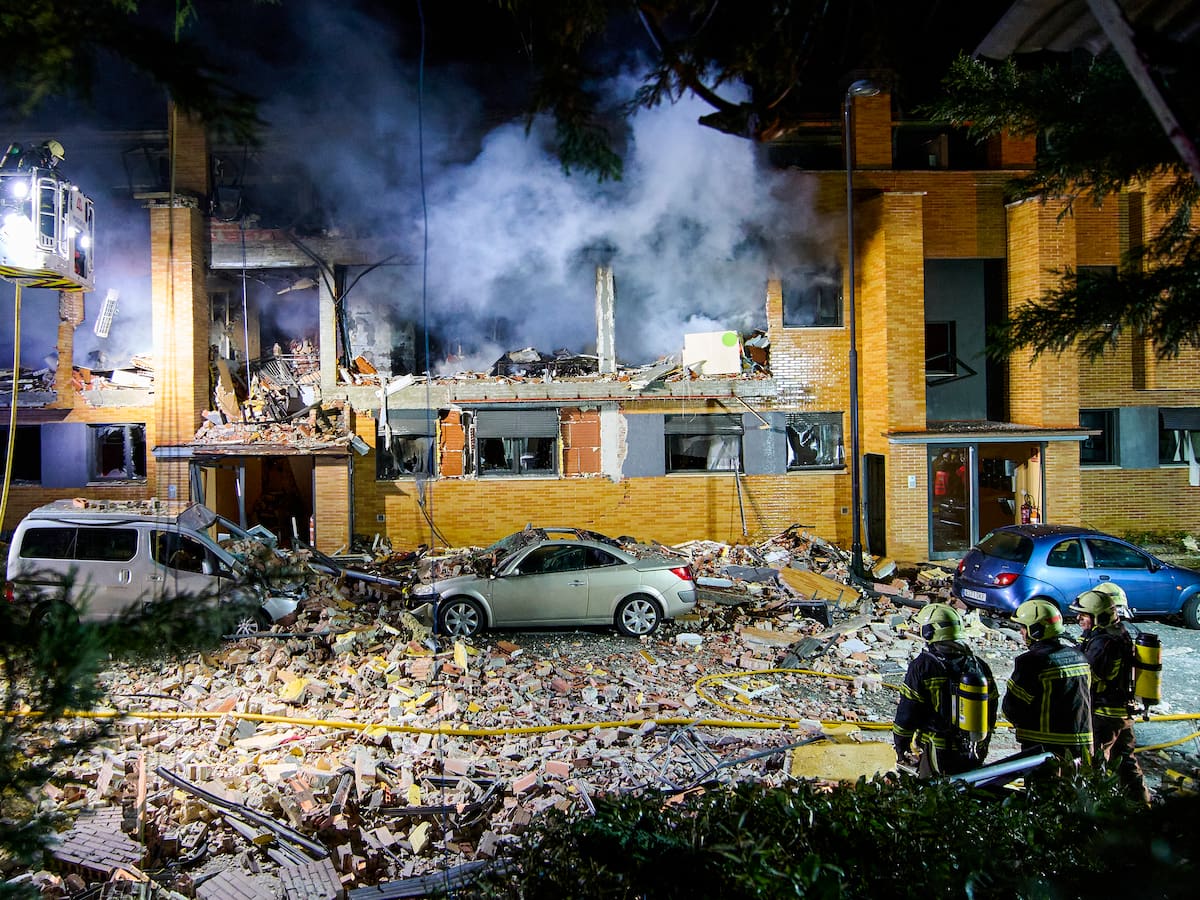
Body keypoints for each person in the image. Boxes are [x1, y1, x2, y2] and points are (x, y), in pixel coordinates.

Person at [893, 603, 998, 776]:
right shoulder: (979, 666)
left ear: (929, 631)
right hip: (973, 748)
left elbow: (907, 712)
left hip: (938, 751)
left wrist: (901, 747)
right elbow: (992, 708)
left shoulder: (922, 666)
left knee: (933, 795)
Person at [1070, 588, 1150, 802]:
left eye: (1084, 615)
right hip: (1122, 714)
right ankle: (1142, 808)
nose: (1078, 619)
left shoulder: (1104, 643)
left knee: (1093, 765)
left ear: (1100, 616)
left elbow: (1088, 678)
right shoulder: (1116, 633)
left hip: (1104, 715)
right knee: (1126, 763)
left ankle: (1096, 814)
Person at [1002, 598, 1093, 768]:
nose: (1021, 632)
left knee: (1041, 791)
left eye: (1024, 627)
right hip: (1080, 745)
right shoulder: (1079, 657)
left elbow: (1012, 708)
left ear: (1035, 631)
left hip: (1043, 748)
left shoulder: (1031, 662)